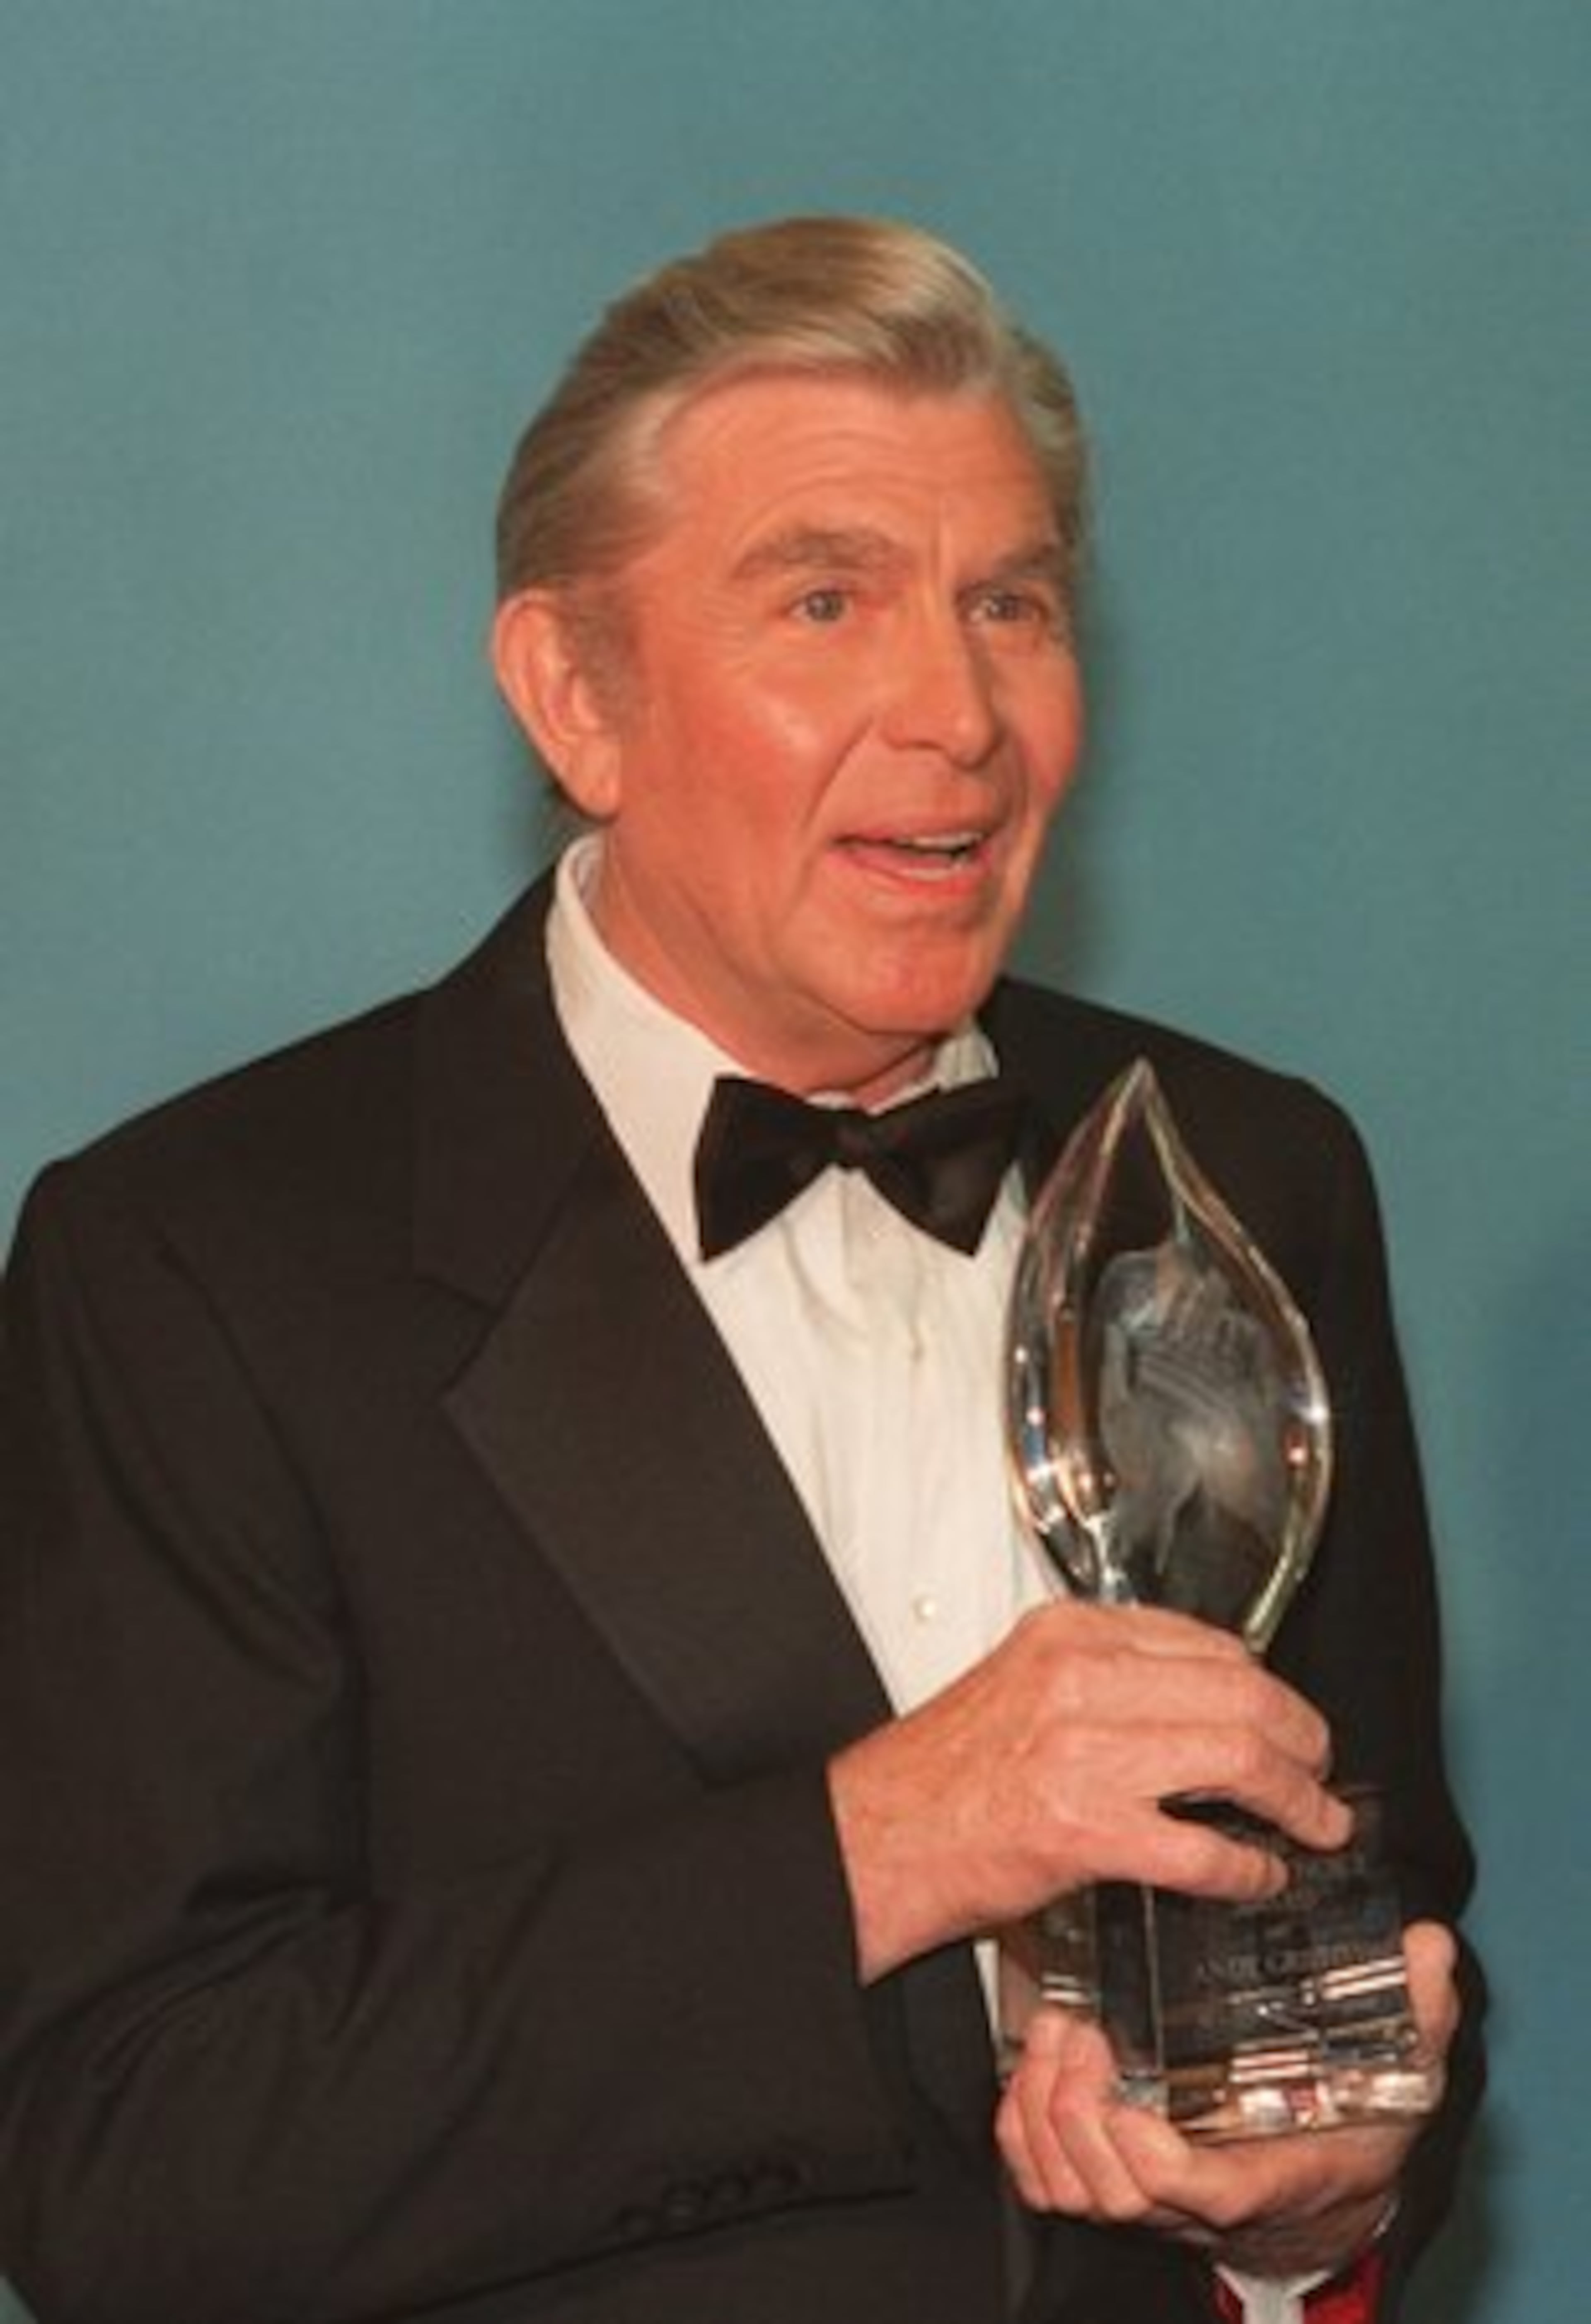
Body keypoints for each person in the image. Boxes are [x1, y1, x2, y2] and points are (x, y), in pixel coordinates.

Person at [0, 215, 1479, 2323]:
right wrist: (881, 1843)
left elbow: (1384, 1903)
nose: (957, 712)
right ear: (575, 694)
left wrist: (1318, 2197)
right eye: (825, 598)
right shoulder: (201, 1262)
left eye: (1011, 603)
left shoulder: (1245, 1174)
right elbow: (132, 2154)